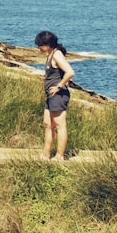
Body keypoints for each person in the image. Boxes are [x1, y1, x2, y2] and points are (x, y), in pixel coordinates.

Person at [35, 30, 74, 161]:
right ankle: (45, 154)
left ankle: (59, 155)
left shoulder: (57, 55)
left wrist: (59, 86)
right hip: (50, 96)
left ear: (47, 44)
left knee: (59, 125)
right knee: (47, 124)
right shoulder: (50, 54)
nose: (38, 48)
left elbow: (69, 72)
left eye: (40, 45)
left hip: (58, 95)